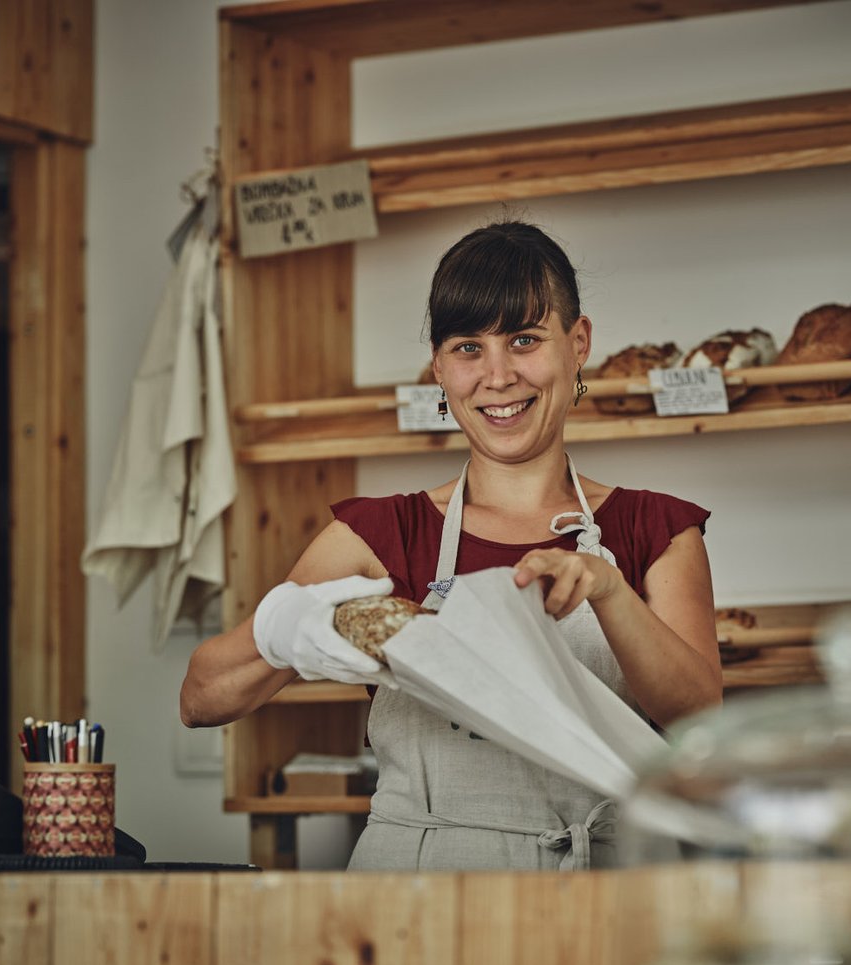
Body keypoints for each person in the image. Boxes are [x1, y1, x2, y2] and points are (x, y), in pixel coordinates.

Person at [180, 220, 721, 870]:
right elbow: (201, 698)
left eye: (525, 339)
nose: (497, 376)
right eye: (469, 347)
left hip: (604, 887)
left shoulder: (654, 529)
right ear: (439, 367)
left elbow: (699, 718)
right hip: (415, 888)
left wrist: (610, 591)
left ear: (578, 344)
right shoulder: (379, 537)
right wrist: (288, 629)